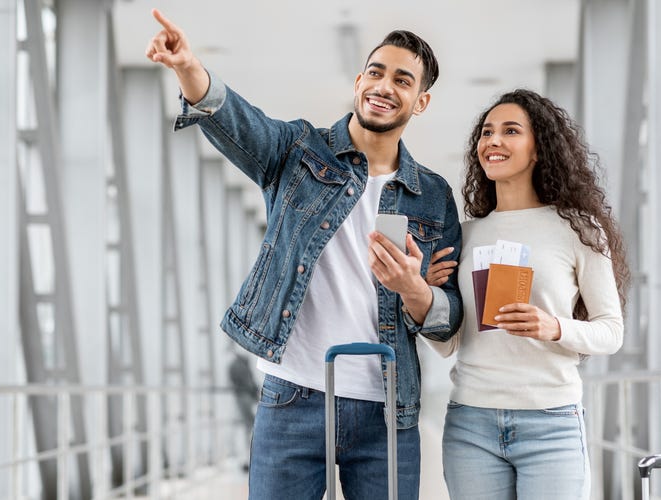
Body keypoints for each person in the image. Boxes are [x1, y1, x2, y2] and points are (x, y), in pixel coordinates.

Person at [146, 9, 462, 499]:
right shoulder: (298, 151)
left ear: (420, 101)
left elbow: (449, 319)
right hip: (292, 396)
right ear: (359, 82)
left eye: (402, 80)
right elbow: (237, 121)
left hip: (387, 409)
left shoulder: (433, 195)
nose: (383, 86)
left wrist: (415, 290)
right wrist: (188, 67)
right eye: (376, 72)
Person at [424, 89, 629, 499]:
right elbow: (447, 344)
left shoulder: (578, 229)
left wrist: (554, 327)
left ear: (539, 149)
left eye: (511, 131)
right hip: (471, 425)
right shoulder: (465, 235)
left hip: (551, 424)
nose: (493, 141)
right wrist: (427, 297)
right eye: (487, 132)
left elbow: (611, 331)